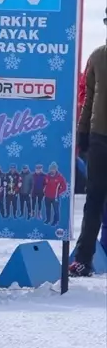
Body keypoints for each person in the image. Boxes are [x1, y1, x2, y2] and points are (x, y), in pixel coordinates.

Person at [71, 35, 106, 276]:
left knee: (94, 200)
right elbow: (88, 98)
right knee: (94, 199)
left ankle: (83, 258)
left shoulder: (98, 55)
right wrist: (82, 131)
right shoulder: (98, 56)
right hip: (99, 137)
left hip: (98, 136)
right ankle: (83, 258)